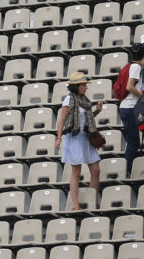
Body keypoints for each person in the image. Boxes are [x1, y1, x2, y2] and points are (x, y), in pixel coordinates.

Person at [55, 72, 103, 210]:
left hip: (85, 137)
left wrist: (98, 111)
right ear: (76, 87)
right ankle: (75, 204)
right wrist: (59, 137)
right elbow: (62, 120)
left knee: (95, 170)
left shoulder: (85, 100)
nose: (86, 87)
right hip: (74, 137)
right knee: (76, 171)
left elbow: (87, 119)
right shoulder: (68, 100)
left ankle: (93, 200)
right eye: (83, 85)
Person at [119, 43, 144, 174]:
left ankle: (129, 169)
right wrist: (142, 96)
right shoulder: (136, 67)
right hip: (130, 107)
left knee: (133, 141)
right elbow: (129, 87)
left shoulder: (132, 66)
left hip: (126, 107)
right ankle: (128, 171)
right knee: (133, 143)